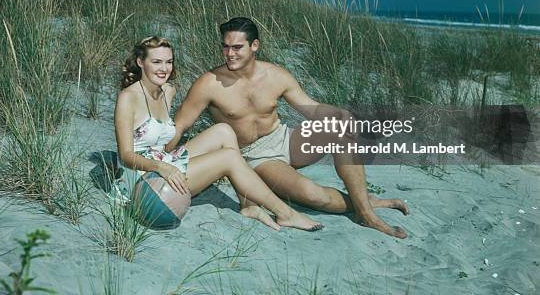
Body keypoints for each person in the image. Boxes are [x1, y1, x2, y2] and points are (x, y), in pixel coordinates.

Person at [167, 18, 409, 239]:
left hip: (284, 139)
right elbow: (180, 125)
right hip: (256, 157)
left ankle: (365, 213)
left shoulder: (276, 75)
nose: (229, 54)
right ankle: (365, 202)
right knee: (314, 196)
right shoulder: (210, 83)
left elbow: (311, 109)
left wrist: (341, 115)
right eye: (226, 47)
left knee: (340, 130)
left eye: (237, 47)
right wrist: (157, 159)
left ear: (254, 46)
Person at [112, 35, 323, 232]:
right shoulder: (128, 98)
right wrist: (162, 167)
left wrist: (170, 160)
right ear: (141, 62)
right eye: (156, 62)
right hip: (144, 181)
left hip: (162, 161)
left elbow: (165, 138)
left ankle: (248, 204)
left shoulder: (168, 91)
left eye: (169, 62)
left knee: (223, 131)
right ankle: (285, 213)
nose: (164, 68)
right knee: (229, 158)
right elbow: (126, 156)